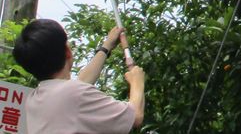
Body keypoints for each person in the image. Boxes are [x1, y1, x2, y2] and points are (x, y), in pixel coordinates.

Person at [13, 18, 145, 133]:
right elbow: (135, 116)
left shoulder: (34, 100)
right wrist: (137, 82)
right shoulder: (74, 94)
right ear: (68, 51)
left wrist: (106, 47)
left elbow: (80, 84)